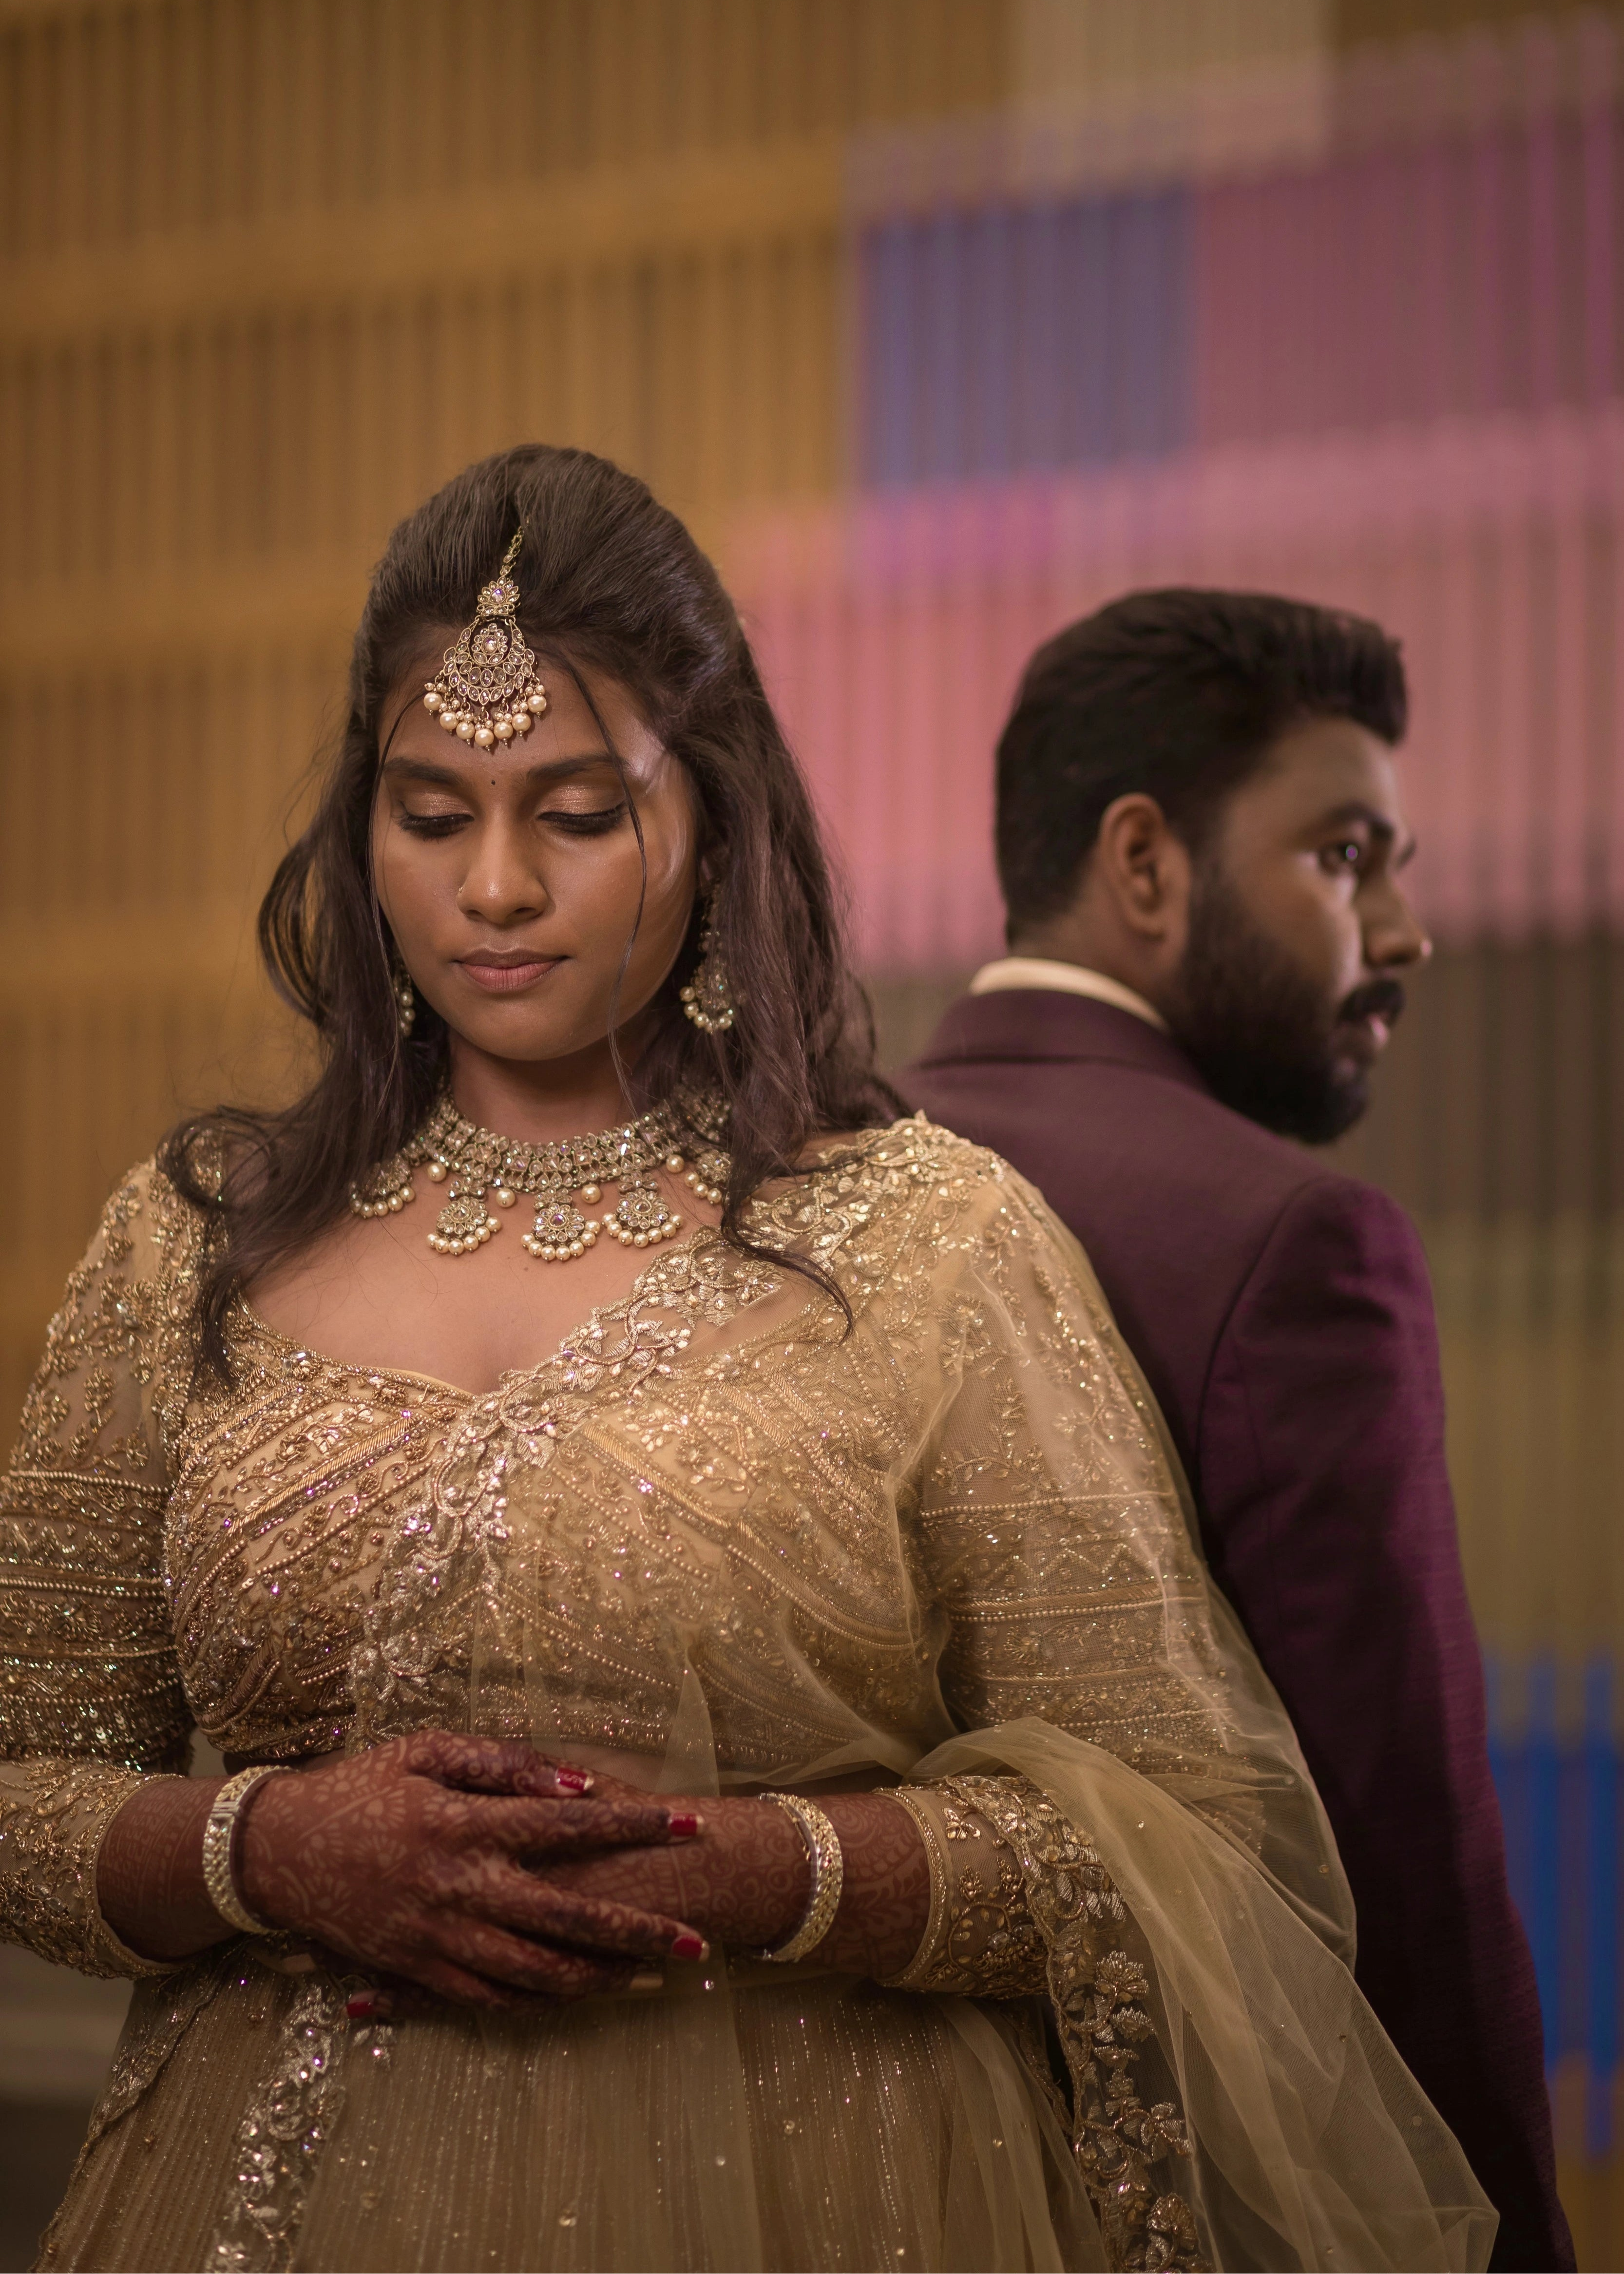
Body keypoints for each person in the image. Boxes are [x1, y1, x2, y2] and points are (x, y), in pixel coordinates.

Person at [0, 463, 1494, 2274]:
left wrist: (775, 1871)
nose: (494, 887)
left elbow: (1201, 1839)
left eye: (577, 815)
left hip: (823, 2189)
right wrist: (261, 1851)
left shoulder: (929, 1242)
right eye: (429, 814)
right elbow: (25, 1786)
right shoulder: (193, 1241)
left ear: (715, 822)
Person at [902, 589, 1572, 2274]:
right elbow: (1397, 1847)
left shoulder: (805, 1172)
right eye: (1345, 858)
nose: (1402, 933)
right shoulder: (1290, 1244)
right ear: (1144, 863)